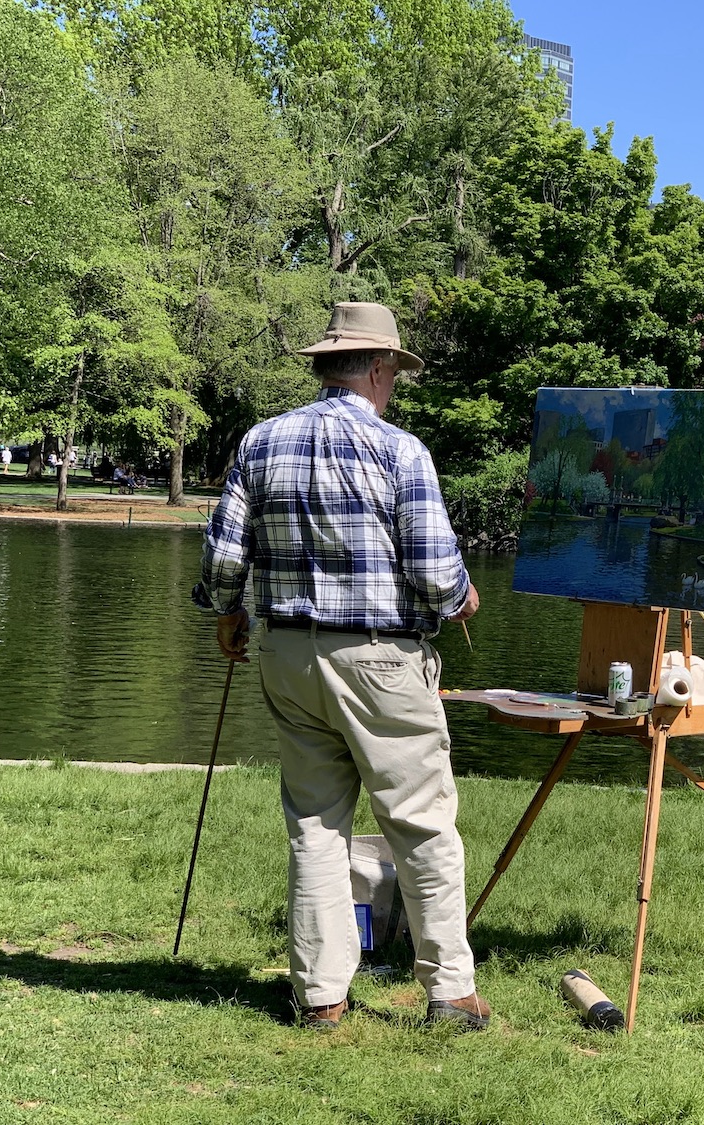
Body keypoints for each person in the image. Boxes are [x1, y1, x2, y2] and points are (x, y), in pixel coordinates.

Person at [197, 302, 487, 1033]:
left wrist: (228, 612)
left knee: (316, 825)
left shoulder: (259, 442)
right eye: (395, 375)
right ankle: (450, 993)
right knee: (419, 823)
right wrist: (460, 594)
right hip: (383, 659)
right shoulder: (401, 450)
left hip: (289, 653)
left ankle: (320, 996)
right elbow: (430, 569)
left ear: (326, 365)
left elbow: (226, 558)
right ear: (381, 369)